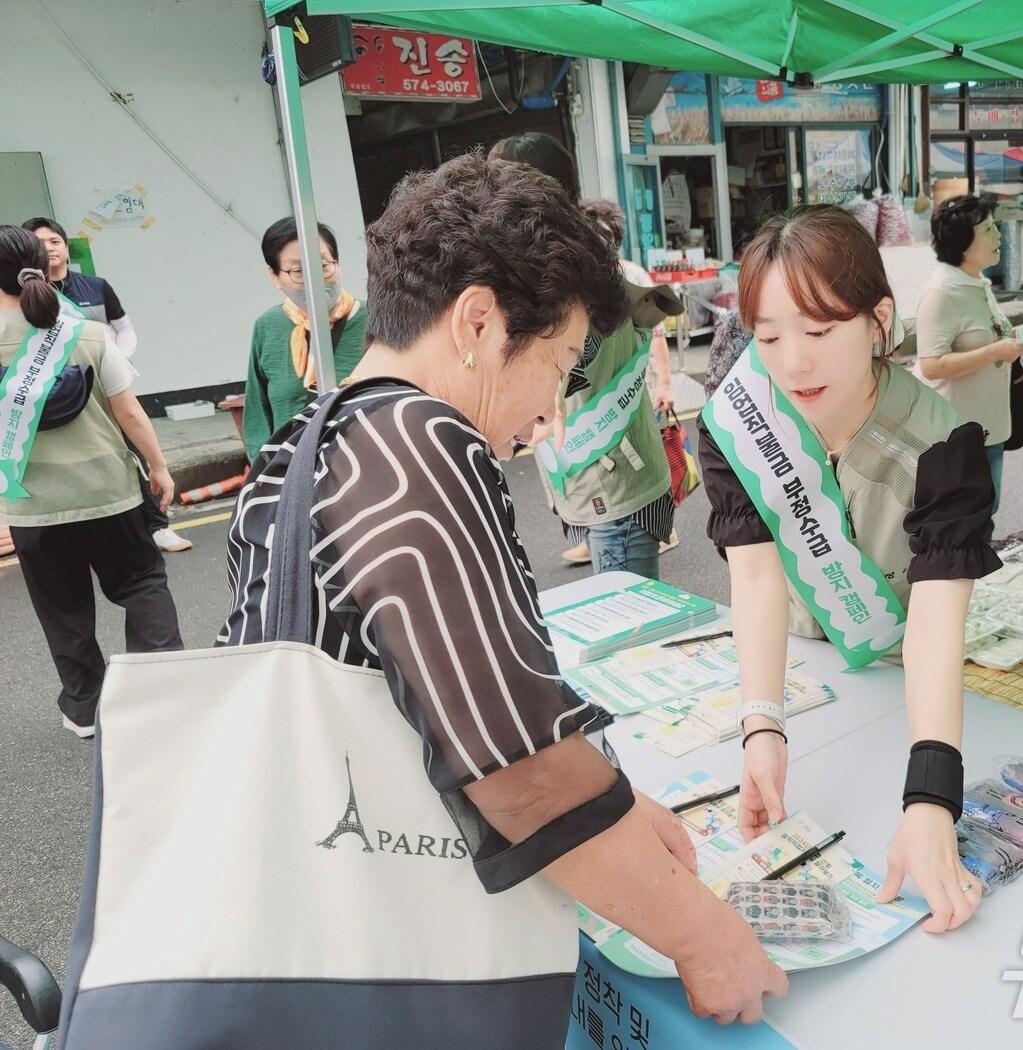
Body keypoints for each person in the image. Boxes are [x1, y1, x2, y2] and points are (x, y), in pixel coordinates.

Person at [218, 153, 785, 1041]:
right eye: (558, 363)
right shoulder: (416, 445)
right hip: (389, 956)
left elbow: (449, 699)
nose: (551, 411)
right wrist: (706, 935)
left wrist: (624, 806)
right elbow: (522, 778)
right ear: (477, 321)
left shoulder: (312, 436)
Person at [697, 206, 1000, 933]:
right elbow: (759, 580)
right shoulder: (736, 423)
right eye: (768, 336)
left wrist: (931, 800)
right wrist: (762, 724)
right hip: (794, 666)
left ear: (877, 321)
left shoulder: (944, 444)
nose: (793, 361)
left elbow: (933, 627)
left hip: (905, 679)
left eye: (820, 330)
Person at [0, 225, 183, 738]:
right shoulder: (85, 332)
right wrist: (159, 467)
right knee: (142, 585)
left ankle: (85, 708)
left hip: (33, 506)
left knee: (63, 609)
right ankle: (163, 694)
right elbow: (129, 412)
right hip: (110, 492)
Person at [491, 134, 677, 579]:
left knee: (630, 632)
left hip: (610, 480)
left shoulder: (571, 275)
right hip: (606, 474)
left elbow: (573, 362)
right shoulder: (585, 256)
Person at [20, 216, 190, 553]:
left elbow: (123, 327)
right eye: (39, 244)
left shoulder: (96, 286)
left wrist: (120, 360)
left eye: (54, 241)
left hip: (109, 388)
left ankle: (159, 526)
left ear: (66, 246)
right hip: (62, 397)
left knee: (138, 451)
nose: (49, 248)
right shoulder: (26, 297)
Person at [914, 195, 1023, 513]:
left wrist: (1016, 337)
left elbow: (982, 337)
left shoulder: (977, 283)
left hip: (989, 426)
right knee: (963, 522)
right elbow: (931, 365)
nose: (998, 235)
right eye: (988, 230)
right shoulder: (942, 293)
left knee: (987, 512)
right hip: (956, 436)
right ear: (963, 242)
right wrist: (995, 351)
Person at [579, 197, 682, 556]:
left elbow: (657, 336)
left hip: (640, 382)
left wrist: (665, 383)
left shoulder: (631, 277)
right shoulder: (594, 284)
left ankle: (661, 528)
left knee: (645, 451)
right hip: (618, 387)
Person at [241, 216, 367, 462]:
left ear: (337, 264)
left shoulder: (377, 320)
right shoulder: (268, 326)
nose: (314, 281)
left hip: (365, 473)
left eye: (322, 266)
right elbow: (257, 415)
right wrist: (267, 474)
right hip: (294, 478)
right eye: (298, 271)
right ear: (274, 276)